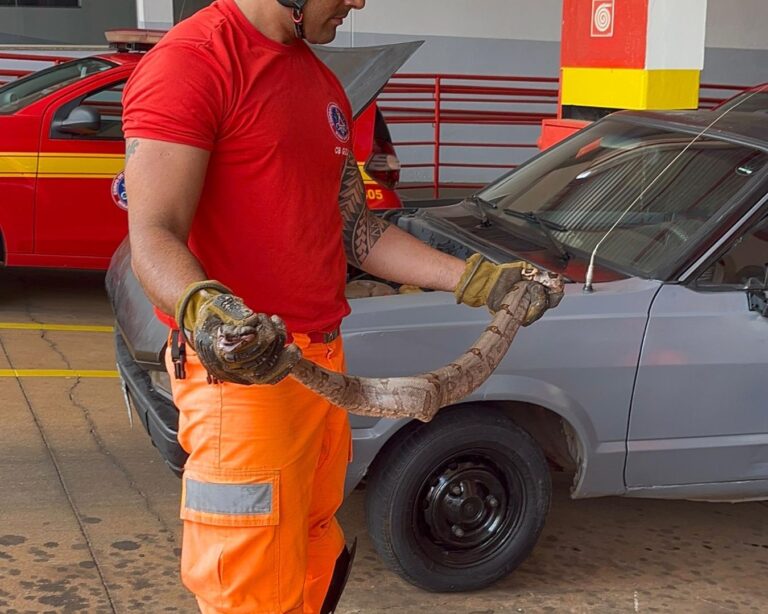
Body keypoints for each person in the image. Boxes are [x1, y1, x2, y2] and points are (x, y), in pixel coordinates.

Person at [122, 0, 559, 611]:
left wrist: (481, 280)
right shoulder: (193, 64)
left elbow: (358, 232)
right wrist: (206, 310)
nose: (358, 2)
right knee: (249, 588)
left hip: (323, 368)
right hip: (243, 378)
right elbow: (153, 234)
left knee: (310, 552)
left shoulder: (319, 80)